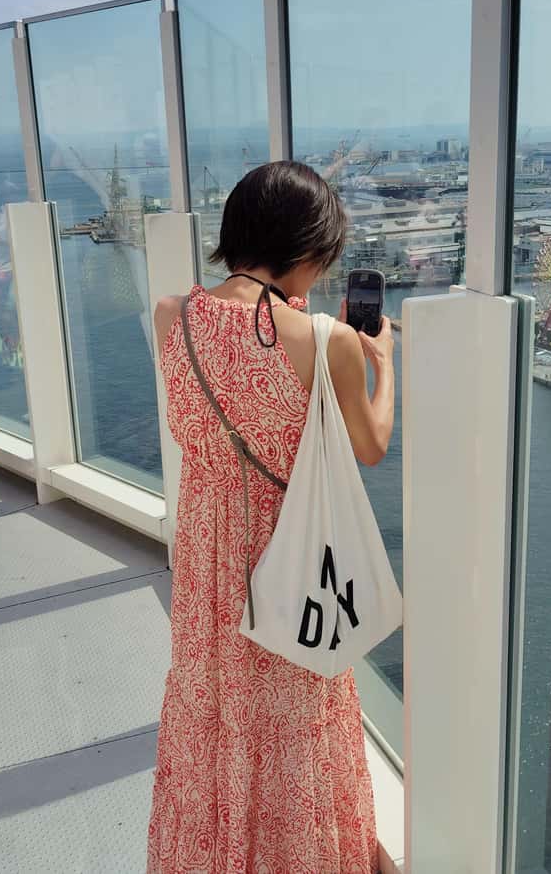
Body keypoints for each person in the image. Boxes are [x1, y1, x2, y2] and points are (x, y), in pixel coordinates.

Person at [147, 161, 395, 873]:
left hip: (207, 554)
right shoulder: (324, 339)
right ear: (307, 247)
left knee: (214, 708)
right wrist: (383, 364)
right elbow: (371, 445)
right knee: (295, 717)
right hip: (288, 555)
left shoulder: (170, 316)